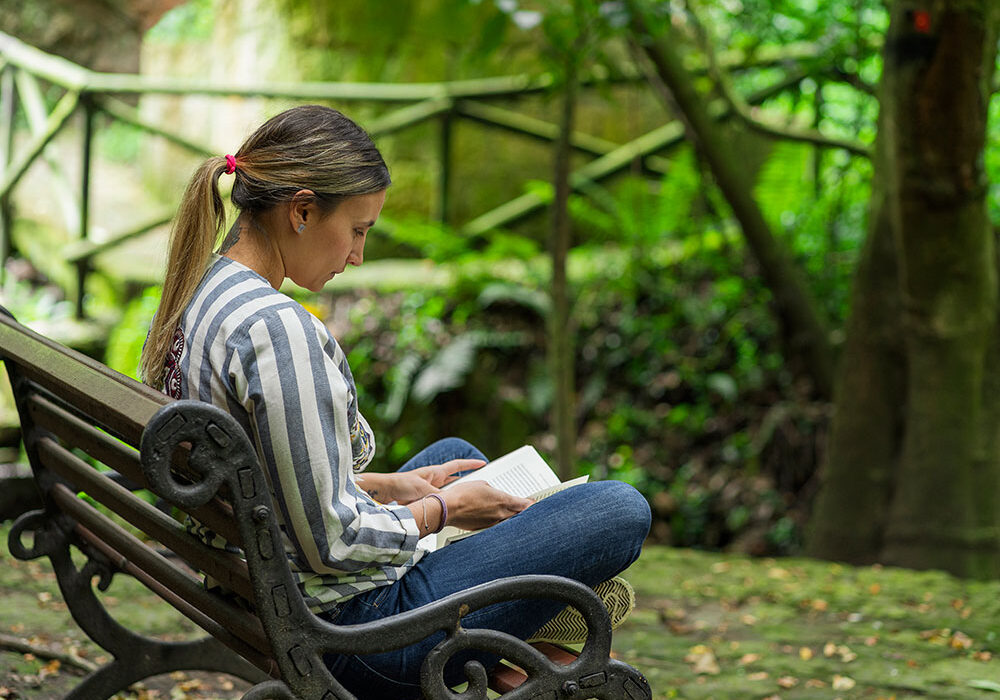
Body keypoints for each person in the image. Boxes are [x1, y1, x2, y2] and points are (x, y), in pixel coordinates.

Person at [139, 104, 650, 699]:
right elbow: (331, 543)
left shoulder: (206, 289)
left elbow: (271, 484)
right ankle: (526, 661)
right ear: (301, 211)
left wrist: (388, 487)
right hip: (350, 635)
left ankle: (523, 660)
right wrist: (443, 511)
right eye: (357, 231)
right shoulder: (276, 332)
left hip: (258, 586)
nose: (357, 255)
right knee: (618, 510)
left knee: (459, 456)